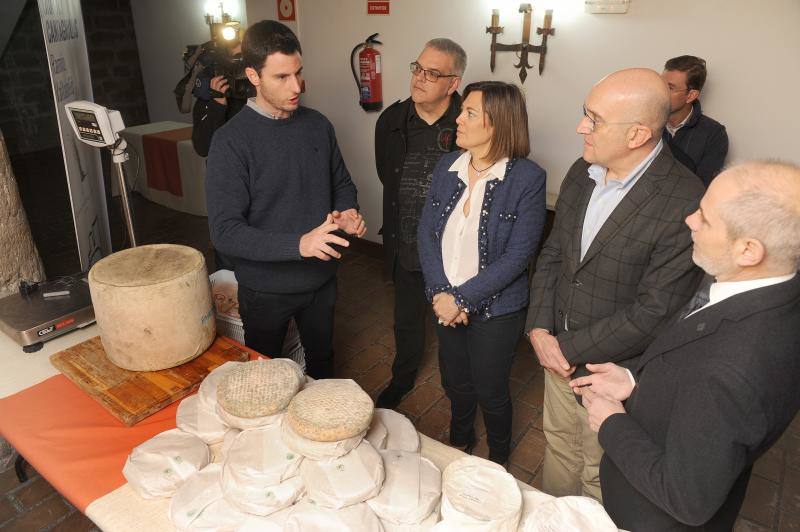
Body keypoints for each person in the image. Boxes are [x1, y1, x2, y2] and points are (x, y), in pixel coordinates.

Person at [572, 161, 800, 530]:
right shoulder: (769, 287)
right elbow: (698, 388)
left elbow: (687, 498)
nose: (689, 221)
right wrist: (636, 383)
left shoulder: (733, 369)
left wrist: (612, 422)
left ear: (748, 250)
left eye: (705, 218)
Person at [526, 68, 705, 501]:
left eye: (595, 119)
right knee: (559, 451)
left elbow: (654, 312)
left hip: (611, 373)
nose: (580, 127)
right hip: (555, 355)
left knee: (598, 474)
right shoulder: (581, 171)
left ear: (637, 133)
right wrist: (539, 329)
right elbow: (554, 253)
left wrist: (565, 348)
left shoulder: (684, 200)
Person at [205, 20, 365, 379]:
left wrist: (347, 211)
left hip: (321, 279)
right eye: (281, 77)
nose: (296, 87)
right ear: (253, 75)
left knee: (323, 365)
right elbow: (226, 232)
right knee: (266, 377)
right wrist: (300, 244)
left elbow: (341, 182)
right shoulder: (231, 142)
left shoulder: (318, 125)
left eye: (298, 73)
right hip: (266, 289)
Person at [418, 81, 547, 465]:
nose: (457, 118)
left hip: (495, 310)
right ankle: (459, 443)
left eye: (469, 113)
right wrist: (442, 295)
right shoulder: (448, 166)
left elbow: (519, 254)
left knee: (491, 390)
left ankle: (498, 459)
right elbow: (427, 233)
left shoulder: (527, 178)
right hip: (445, 303)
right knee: (455, 382)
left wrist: (462, 299)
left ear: (498, 124)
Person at [374, 38, 466, 409]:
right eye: (417, 68)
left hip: (453, 248)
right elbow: (387, 176)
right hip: (406, 241)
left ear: (453, 83)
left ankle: (458, 390)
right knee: (407, 319)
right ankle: (402, 378)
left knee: (455, 325)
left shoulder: (469, 122)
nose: (419, 79)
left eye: (433, 73)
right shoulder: (392, 121)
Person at [662, 55, 729, 185]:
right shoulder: (644, 122)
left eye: (670, 88)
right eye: (660, 84)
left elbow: (699, 187)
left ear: (691, 95)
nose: (660, 92)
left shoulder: (714, 135)